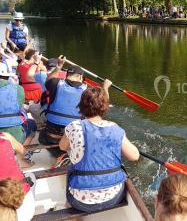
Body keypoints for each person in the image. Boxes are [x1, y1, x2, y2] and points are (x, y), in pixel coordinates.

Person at [59, 84, 140, 213]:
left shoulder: (73, 126)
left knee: (71, 168)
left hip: (80, 202)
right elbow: (135, 156)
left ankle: (69, 206)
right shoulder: (115, 128)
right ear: (105, 108)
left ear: (81, 106)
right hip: (114, 198)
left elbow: (62, 147)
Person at [39, 56, 87, 159]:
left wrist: (59, 65)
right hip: (73, 135)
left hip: (52, 136)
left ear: (67, 74)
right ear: (80, 77)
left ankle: (59, 154)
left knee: (41, 136)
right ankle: (68, 153)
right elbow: (103, 101)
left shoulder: (55, 83)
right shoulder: (87, 91)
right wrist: (105, 87)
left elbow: (49, 79)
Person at [0, 132, 36, 221]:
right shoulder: (5, 137)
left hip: (17, 208)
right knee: (31, 176)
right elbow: (22, 151)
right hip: (26, 210)